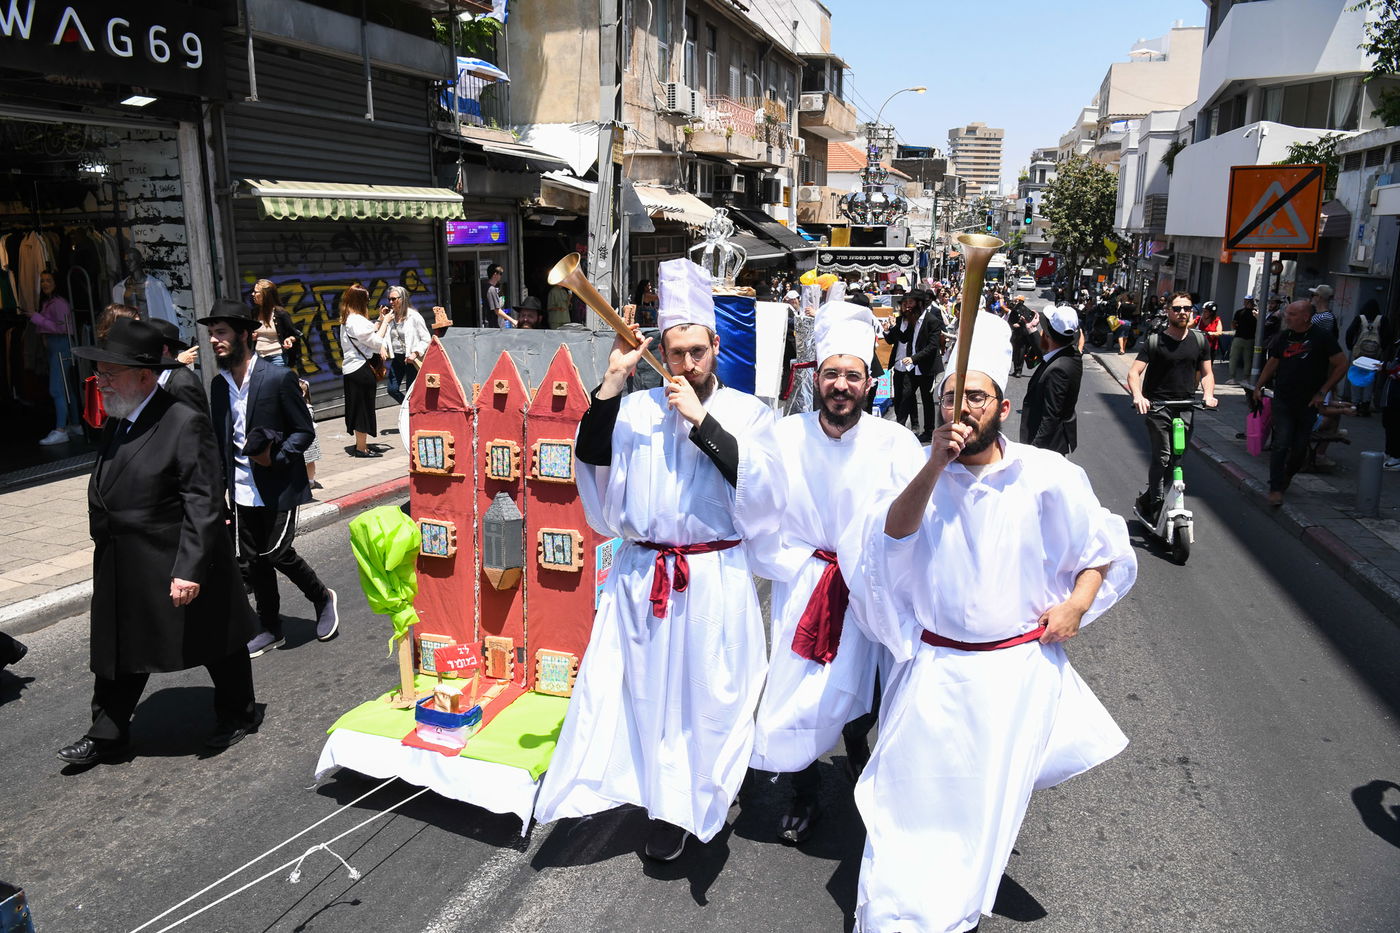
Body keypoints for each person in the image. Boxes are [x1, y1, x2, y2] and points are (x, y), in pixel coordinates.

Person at [840, 311, 1136, 933]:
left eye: (974, 397)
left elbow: (1100, 550)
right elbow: (889, 536)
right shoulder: (913, 472)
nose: (961, 409)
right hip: (934, 666)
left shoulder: (1049, 476)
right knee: (904, 797)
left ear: (1002, 407)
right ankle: (893, 914)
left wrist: (1077, 605)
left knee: (978, 805)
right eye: (950, 397)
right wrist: (933, 466)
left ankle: (954, 906)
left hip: (1012, 674)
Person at [535, 258, 786, 863]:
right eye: (676, 353)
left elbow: (762, 490)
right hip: (644, 577)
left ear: (716, 346)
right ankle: (663, 803)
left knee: (709, 697)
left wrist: (703, 423)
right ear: (662, 353)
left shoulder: (748, 413)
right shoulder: (641, 411)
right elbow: (591, 460)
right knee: (644, 694)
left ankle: (704, 792)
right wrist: (612, 385)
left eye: (698, 351)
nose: (688, 365)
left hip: (712, 581)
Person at [750, 301, 924, 846]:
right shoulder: (784, 436)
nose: (842, 385)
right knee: (797, 691)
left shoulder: (894, 442)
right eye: (832, 374)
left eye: (853, 374)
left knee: (864, 692)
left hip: (868, 589)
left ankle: (860, 761)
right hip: (804, 584)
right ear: (815, 379)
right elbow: (757, 509)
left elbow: (918, 519)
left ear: (870, 382)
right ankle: (802, 790)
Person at [59, 318, 260, 765]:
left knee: (216, 640)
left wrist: (189, 568)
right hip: (124, 559)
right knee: (118, 648)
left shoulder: (182, 421)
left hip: (174, 556)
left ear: (145, 376)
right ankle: (108, 732)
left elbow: (204, 501)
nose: (101, 382)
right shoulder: (119, 418)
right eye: (100, 373)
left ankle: (238, 714)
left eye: (111, 374)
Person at [198, 299, 340, 658]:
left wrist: (275, 458)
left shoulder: (277, 378)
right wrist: (217, 491)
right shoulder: (218, 386)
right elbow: (219, 442)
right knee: (255, 560)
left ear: (244, 334)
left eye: (222, 332)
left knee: (276, 552)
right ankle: (271, 626)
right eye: (212, 334)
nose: (215, 340)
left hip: (279, 485)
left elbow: (303, 432)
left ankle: (322, 597)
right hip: (241, 490)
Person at [1127, 292, 1218, 520]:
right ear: (1168, 311)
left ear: (1192, 312)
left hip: (1186, 406)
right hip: (1158, 407)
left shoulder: (1199, 341)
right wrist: (1139, 396)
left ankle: (1152, 496)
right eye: (1177, 308)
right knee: (1163, 456)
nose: (1182, 312)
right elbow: (1133, 373)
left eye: (1187, 308)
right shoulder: (1155, 341)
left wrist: (1209, 394)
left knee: (1178, 458)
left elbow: (1207, 373)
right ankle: (1156, 504)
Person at [1251, 299, 1348, 507]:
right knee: (1281, 443)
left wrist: (1323, 391)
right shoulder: (1284, 337)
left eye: (1292, 314)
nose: (1287, 317)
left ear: (1305, 317)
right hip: (1283, 399)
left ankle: (1287, 475)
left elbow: (1342, 364)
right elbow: (1273, 362)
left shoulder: (1322, 338)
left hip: (1309, 402)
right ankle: (1275, 487)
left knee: (1300, 448)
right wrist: (1258, 386)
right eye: (1287, 313)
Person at [1020, 304, 1082, 454]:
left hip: (1048, 447)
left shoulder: (1058, 370)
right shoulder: (1071, 355)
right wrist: (1032, 329)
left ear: (1048, 337)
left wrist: (1034, 451)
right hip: (1055, 442)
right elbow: (1047, 354)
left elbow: (1051, 417)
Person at [26, 270, 78, 446]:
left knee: (56, 388)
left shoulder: (59, 303)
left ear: (56, 283)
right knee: (65, 387)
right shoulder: (50, 302)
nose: (45, 284)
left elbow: (64, 328)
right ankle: (75, 424)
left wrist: (37, 318)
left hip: (61, 346)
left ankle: (61, 429)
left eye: (48, 280)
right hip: (57, 346)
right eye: (42, 281)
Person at [338, 285, 389, 457]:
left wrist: (380, 320)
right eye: (367, 299)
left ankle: (361, 444)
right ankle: (361, 448)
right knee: (363, 409)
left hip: (352, 369)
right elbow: (375, 342)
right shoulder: (356, 320)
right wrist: (387, 322)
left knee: (358, 407)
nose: (368, 302)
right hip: (360, 369)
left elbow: (368, 332)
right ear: (360, 301)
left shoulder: (348, 319)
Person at [147, 319, 208, 416]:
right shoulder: (155, 381)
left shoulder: (183, 383)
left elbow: (196, 427)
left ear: (164, 349)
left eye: (145, 345)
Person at [382, 285, 431, 404]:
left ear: (402, 299)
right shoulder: (390, 316)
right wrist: (383, 347)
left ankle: (411, 415)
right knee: (392, 389)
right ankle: (408, 408)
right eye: (389, 299)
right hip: (397, 358)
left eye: (394, 299)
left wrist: (415, 353)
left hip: (411, 360)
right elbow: (386, 336)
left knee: (411, 392)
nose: (390, 302)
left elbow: (426, 338)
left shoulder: (414, 316)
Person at [1343, 298, 1391, 417]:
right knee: (1369, 379)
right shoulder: (1382, 319)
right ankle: (1365, 404)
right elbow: (1387, 336)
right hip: (1374, 356)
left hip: (1358, 354)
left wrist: (1351, 347)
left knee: (1355, 378)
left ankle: (1355, 404)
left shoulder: (1360, 318)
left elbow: (1349, 333)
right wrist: (1381, 349)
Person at [250, 279, 301, 370]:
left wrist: (289, 339)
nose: (252, 294)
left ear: (265, 295)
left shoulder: (280, 313)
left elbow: (295, 335)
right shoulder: (254, 313)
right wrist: (251, 337)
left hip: (277, 358)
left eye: (256, 292)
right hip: (258, 358)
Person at [1229, 296, 1257, 384]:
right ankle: (1246, 378)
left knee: (1233, 358)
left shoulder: (1240, 312)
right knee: (1248, 359)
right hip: (1251, 338)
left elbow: (1233, 324)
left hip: (1239, 337)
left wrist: (1236, 328)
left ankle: (1232, 378)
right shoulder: (1256, 313)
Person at [1006, 295, 1036, 378]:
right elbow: (1010, 320)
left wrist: (1021, 323)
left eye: (1017, 301)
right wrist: (1013, 325)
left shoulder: (1025, 310)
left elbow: (1029, 320)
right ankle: (1015, 369)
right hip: (1015, 334)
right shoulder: (1014, 311)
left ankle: (1019, 370)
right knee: (1015, 352)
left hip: (1023, 334)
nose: (1015, 302)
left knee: (1021, 353)